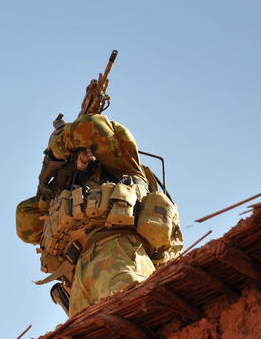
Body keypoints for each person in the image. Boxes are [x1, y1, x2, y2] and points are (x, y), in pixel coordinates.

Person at [16, 113, 182, 316]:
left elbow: (93, 126)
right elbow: (24, 223)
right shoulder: (64, 191)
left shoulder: (122, 166)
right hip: (78, 278)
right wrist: (52, 182)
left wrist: (58, 149)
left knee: (139, 313)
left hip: (119, 253)